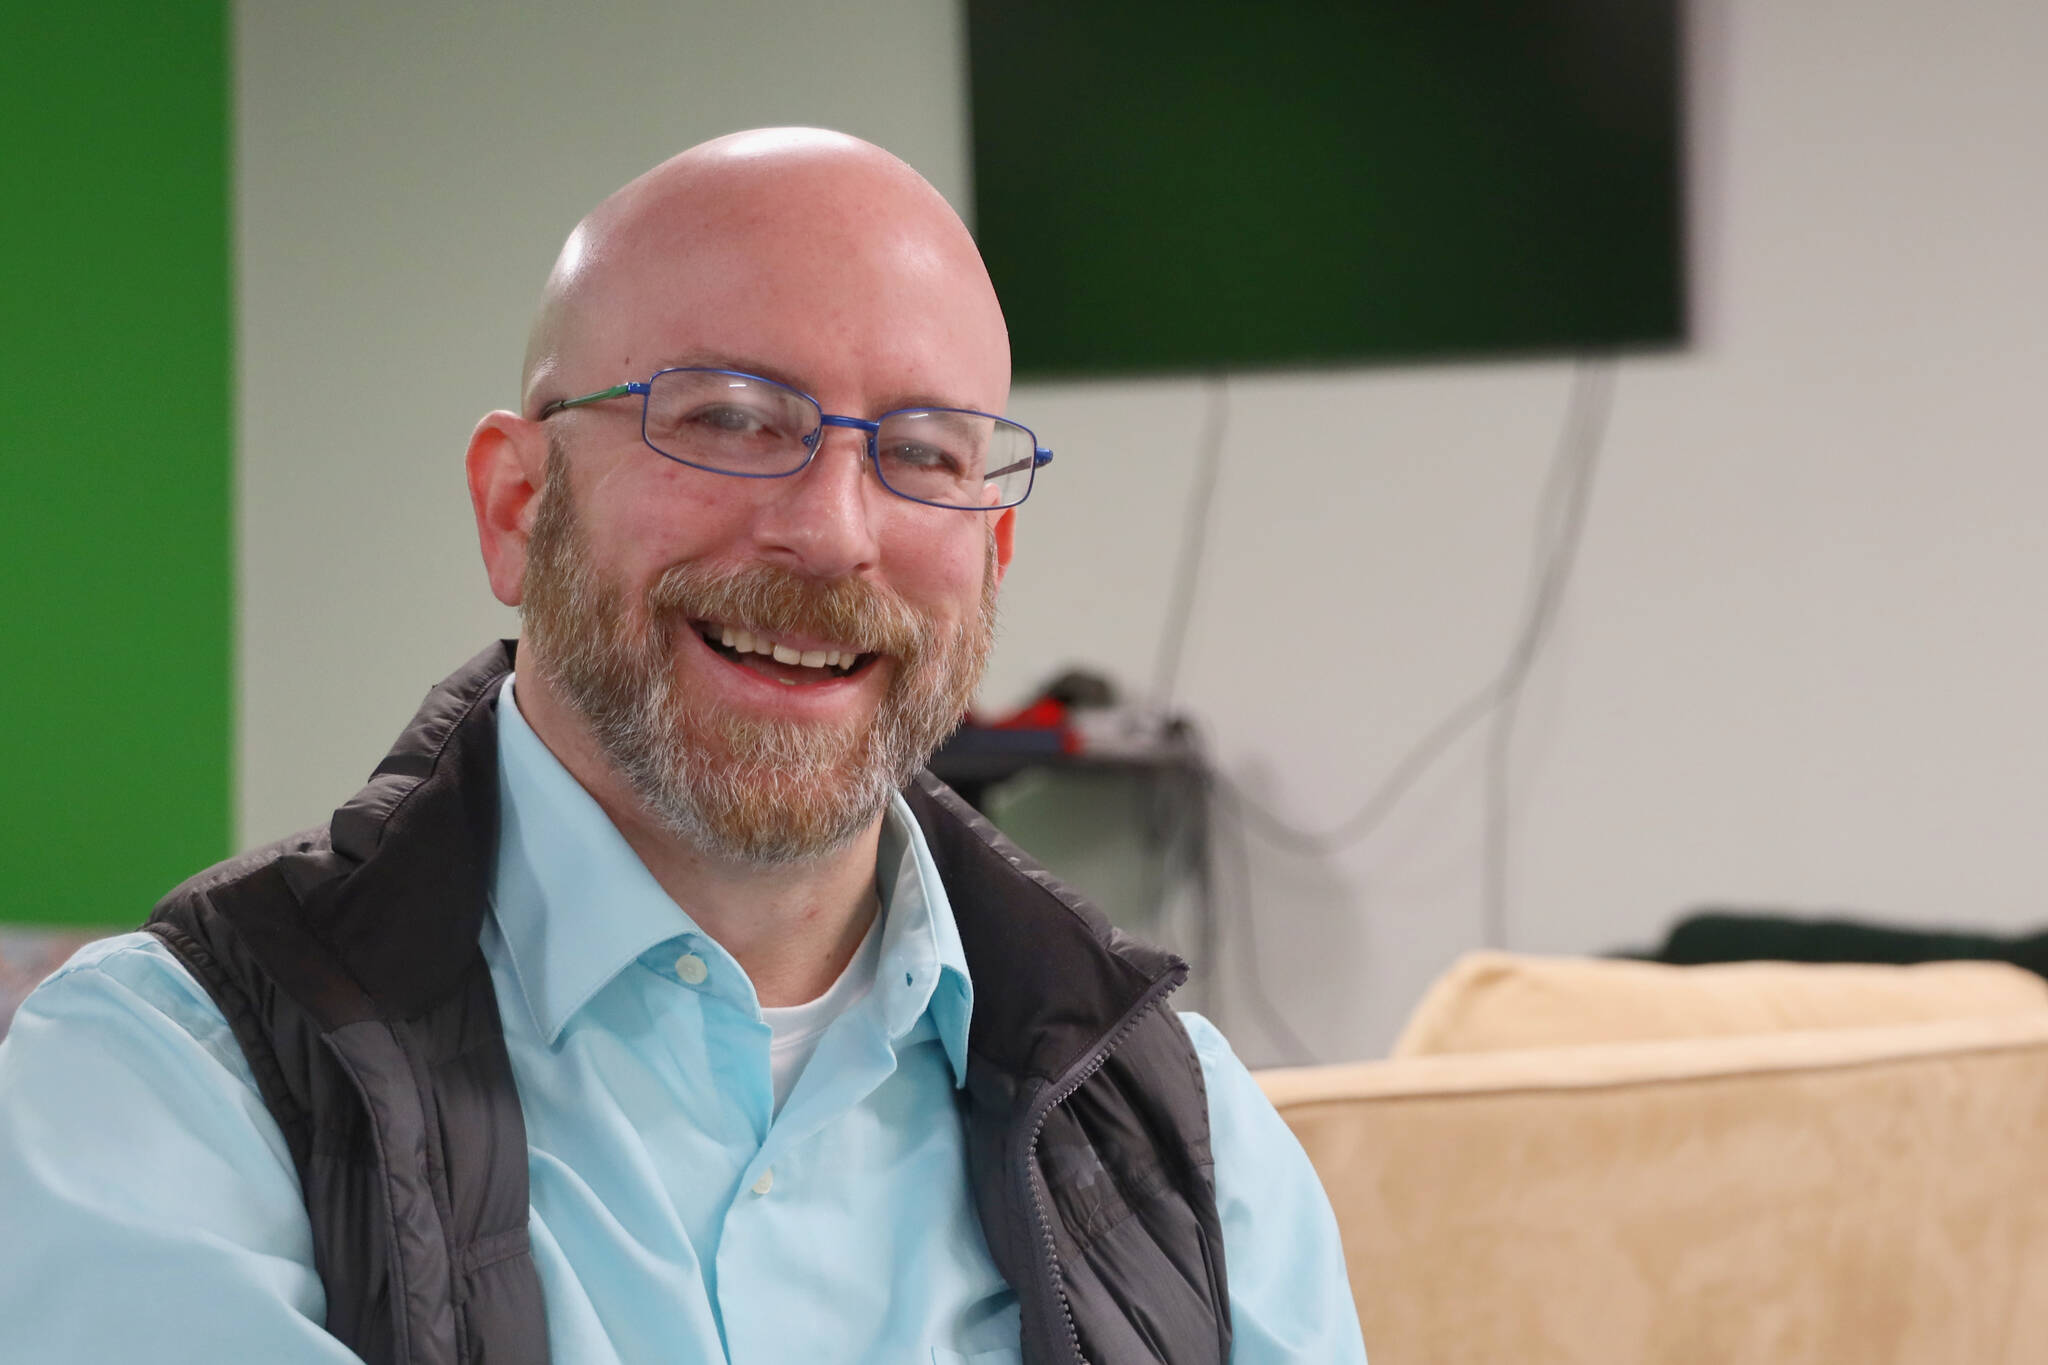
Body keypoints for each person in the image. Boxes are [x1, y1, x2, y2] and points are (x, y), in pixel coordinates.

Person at [0, 129, 1365, 1364]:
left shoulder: (1192, 1146)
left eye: (926, 454)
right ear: (518, 505)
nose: (833, 532)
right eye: (727, 417)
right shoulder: (164, 1090)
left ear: (991, 546)